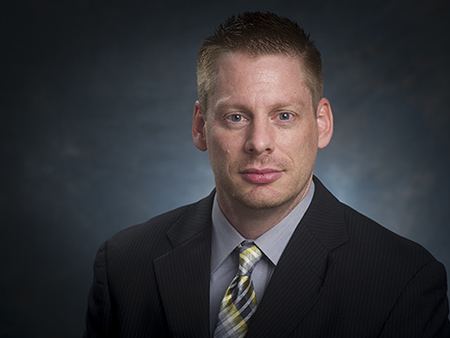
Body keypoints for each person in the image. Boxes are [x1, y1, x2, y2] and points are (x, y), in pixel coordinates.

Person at [84, 12, 450, 337]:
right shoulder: (123, 265)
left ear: (321, 124)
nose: (259, 143)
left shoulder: (403, 280)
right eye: (236, 117)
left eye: (284, 116)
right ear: (200, 126)